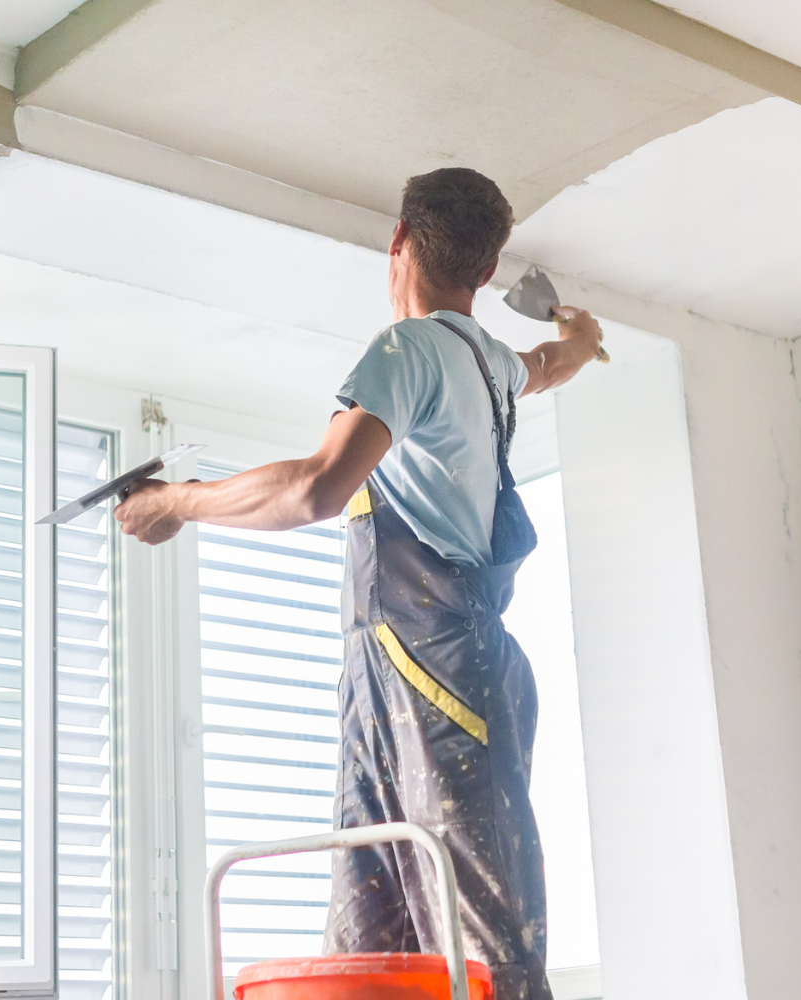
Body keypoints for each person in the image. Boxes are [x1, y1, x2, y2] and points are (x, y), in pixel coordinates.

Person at [114, 167, 603, 1000]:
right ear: (485, 274)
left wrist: (177, 504)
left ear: (399, 243)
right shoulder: (488, 362)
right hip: (399, 667)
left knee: (477, 943)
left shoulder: (405, 350)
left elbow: (317, 487)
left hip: (437, 669)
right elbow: (549, 365)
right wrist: (584, 336)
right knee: (374, 937)